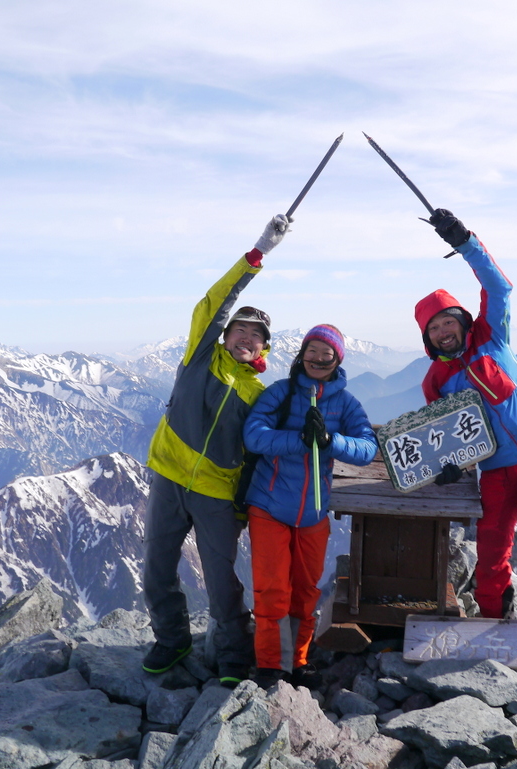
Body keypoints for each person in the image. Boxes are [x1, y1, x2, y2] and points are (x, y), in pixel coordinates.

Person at [414, 209, 517, 664]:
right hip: (496, 467)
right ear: (428, 338)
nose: (444, 332)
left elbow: (499, 287)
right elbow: (445, 436)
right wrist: (449, 465)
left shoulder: (492, 336)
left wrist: (464, 241)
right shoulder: (435, 381)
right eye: (434, 328)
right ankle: (492, 620)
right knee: (491, 551)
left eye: (448, 321)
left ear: (462, 321)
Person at [142, 213, 288, 687]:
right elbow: (215, 300)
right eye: (240, 330)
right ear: (224, 335)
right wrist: (258, 253)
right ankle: (172, 639)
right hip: (169, 477)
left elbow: (259, 454)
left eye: (256, 335)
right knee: (156, 569)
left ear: (263, 349)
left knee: (222, 582)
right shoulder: (199, 357)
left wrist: (244, 504)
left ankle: (233, 657)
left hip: (217, 495)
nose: (246, 337)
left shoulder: (260, 396)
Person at [242, 325, 378, 688]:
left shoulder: (345, 403)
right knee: (272, 591)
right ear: (302, 354)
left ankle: (297, 661)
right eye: (312, 351)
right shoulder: (281, 392)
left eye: (326, 353)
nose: (317, 359)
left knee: (305, 592)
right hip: (269, 506)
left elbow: (368, 447)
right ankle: (272, 666)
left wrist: (331, 440)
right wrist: (301, 440)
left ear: (337, 360)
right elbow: (253, 436)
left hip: (313, 513)